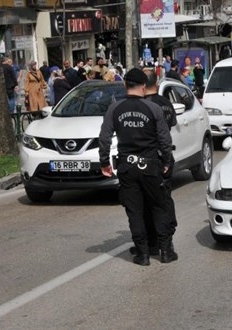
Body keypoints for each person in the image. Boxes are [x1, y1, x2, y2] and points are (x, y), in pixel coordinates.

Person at [98, 68, 176, 266]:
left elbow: (104, 138)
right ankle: (165, 251)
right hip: (151, 166)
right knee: (159, 206)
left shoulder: (115, 109)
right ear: (143, 86)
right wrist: (167, 161)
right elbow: (165, 139)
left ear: (125, 85)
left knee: (135, 211)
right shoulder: (153, 108)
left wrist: (104, 163)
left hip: (127, 167)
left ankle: (142, 254)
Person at [128, 68, 179, 256]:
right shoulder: (165, 102)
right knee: (163, 201)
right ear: (155, 82)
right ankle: (165, 244)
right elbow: (171, 125)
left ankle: (152, 243)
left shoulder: (141, 105)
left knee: (146, 204)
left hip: (147, 158)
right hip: (163, 157)